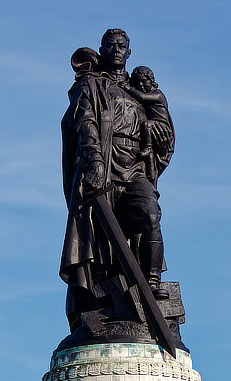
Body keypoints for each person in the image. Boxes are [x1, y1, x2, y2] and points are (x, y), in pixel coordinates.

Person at [60, 28, 173, 331]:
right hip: (104, 168)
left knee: (149, 214)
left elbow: (165, 134)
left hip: (135, 168)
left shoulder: (141, 90)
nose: (117, 50)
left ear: (129, 52)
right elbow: (84, 123)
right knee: (99, 246)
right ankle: (102, 307)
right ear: (103, 49)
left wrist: (156, 129)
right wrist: (95, 161)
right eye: (111, 46)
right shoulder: (91, 84)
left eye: (122, 46)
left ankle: (151, 283)